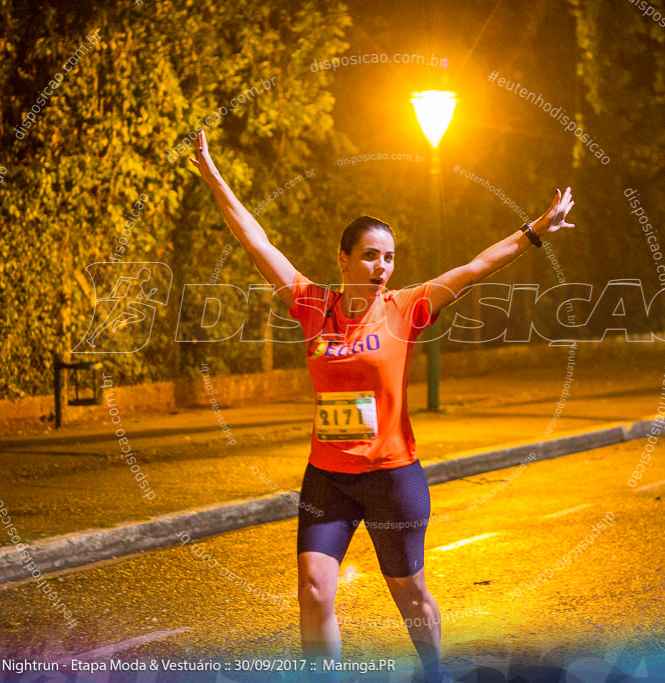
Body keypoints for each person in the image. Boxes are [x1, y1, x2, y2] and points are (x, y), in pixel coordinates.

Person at [191, 130, 575, 682]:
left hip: (393, 478)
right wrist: (212, 174)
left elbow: (474, 268)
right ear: (343, 258)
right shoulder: (311, 305)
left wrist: (534, 231)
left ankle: (436, 672)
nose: (381, 267)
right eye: (370, 256)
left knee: (410, 596)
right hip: (327, 478)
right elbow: (257, 242)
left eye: (389, 258)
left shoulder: (406, 308)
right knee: (314, 590)